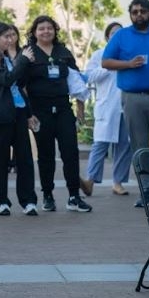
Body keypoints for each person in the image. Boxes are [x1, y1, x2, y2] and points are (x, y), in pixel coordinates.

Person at [101, 0, 149, 207]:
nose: (139, 15)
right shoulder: (122, 35)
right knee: (139, 146)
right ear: (130, 14)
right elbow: (105, 61)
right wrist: (128, 64)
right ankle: (145, 191)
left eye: (142, 11)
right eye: (135, 12)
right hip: (132, 98)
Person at [24, 16, 92, 213]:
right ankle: (47, 195)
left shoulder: (64, 52)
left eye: (49, 28)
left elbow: (76, 81)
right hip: (40, 110)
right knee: (46, 155)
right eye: (41, 28)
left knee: (70, 152)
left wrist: (80, 109)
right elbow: (22, 85)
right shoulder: (28, 53)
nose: (46, 31)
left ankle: (74, 196)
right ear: (34, 32)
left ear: (55, 31)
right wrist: (28, 113)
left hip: (63, 108)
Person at [0, 22, 38, 216]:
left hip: (19, 113)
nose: (10, 40)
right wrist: (22, 61)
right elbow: (6, 80)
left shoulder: (8, 58)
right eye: (6, 36)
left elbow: (19, 86)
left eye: (12, 36)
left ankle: (28, 200)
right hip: (0, 116)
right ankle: (1, 201)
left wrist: (29, 113)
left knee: (25, 159)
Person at [84, 22, 131, 196]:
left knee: (124, 146)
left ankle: (118, 183)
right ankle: (90, 180)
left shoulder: (128, 55)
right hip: (107, 107)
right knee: (100, 144)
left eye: (120, 33)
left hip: (126, 106)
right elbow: (89, 76)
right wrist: (109, 66)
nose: (116, 36)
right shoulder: (99, 55)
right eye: (113, 33)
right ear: (107, 37)